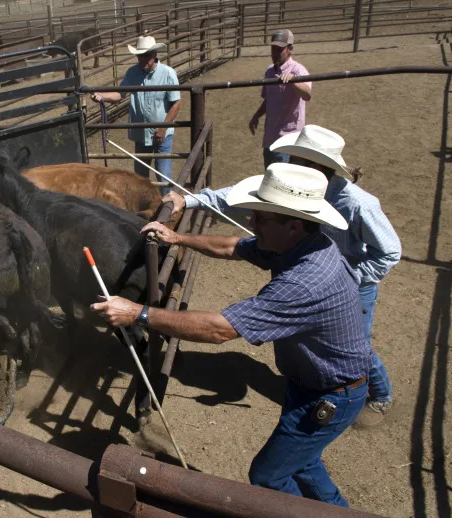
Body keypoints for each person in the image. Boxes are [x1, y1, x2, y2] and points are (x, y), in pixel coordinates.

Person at [92, 163, 371, 507]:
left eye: (261, 218)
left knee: (268, 476)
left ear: (294, 225)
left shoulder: (305, 281)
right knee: (303, 461)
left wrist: (138, 313)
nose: (253, 223)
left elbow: (219, 329)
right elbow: (234, 247)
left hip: (330, 394)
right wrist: (179, 238)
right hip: (316, 383)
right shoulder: (303, 244)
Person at [164, 125, 401, 426]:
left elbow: (390, 251)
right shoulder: (292, 188)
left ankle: (380, 396)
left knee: (354, 345)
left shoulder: (357, 204)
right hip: (308, 276)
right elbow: (237, 196)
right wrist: (192, 200)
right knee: (324, 340)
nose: (287, 164)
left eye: (295, 159)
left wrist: (350, 277)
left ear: (315, 166)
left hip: (350, 282)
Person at [90, 35, 181, 193]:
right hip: (141, 133)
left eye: (146, 55)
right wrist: (102, 96)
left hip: (162, 134)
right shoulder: (132, 73)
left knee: (163, 176)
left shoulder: (168, 73)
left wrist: (163, 128)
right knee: (140, 177)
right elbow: (120, 94)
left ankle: (168, 207)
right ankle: (144, 207)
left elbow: (176, 103)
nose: (142, 60)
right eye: (140, 56)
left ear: (154, 55)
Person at [249, 29, 312, 168]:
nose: (275, 53)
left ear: (290, 49)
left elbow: (307, 94)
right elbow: (269, 99)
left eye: (279, 49)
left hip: (289, 138)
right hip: (270, 136)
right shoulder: (270, 71)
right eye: (273, 49)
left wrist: (293, 81)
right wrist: (256, 116)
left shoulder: (298, 70)